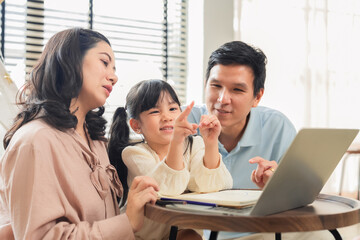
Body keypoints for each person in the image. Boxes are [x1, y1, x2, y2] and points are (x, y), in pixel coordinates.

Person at [0, 28, 159, 240]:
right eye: (104, 62)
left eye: (114, 68)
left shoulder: (95, 140)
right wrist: (126, 221)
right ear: (70, 61)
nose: (114, 76)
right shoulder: (34, 141)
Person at [186, 41, 297, 239]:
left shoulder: (277, 127)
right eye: (216, 85)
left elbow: (299, 200)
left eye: (237, 90)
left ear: (257, 96)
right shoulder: (185, 124)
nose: (222, 99)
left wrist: (279, 187)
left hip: (261, 233)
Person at [108, 79, 233, 240]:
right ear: (136, 125)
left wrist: (211, 143)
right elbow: (166, 190)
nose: (167, 116)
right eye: (154, 111)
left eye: (173, 108)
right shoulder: (134, 153)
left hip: (181, 230)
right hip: (142, 235)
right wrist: (176, 141)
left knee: (191, 236)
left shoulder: (195, 144)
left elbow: (212, 186)